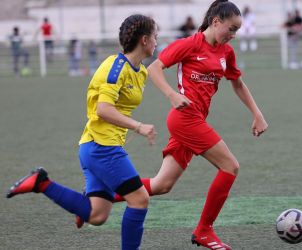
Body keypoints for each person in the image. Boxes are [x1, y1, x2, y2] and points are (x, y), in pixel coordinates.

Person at [75, 1, 268, 249]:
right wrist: (171, 95)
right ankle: (204, 231)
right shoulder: (189, 44)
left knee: (161, 185)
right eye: (230, 28)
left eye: (237, 31)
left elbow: (237, 83)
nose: (233, 35)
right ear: (216, 22)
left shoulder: (226, 53)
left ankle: (93, 200)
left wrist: (257, 113)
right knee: (230, 166)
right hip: (185, 119)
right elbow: (155, 68)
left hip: (196, 121)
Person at [6, 14, 158, 250]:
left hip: (99, 147)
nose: (157, 41)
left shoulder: (141, 72)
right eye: (155, 36)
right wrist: (138, 126)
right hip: (101, 148)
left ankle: (41, 183)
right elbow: (103, 109)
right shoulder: (115, 67)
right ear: (145, 40)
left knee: (97, 215)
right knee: (139, 200)